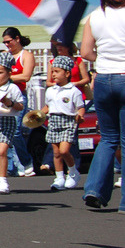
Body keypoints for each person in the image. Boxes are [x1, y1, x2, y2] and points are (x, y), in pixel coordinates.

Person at [80, 0, 125, 213]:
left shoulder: (95, 16)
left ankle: (94, 190)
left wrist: (103, 59)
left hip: (103, 79)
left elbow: (85, 53)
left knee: (109, 138)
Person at [0, 52, 26, 195]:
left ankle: (3, 180)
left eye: (0, 72)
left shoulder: (13, 88)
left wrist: (10, 102)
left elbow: (20, 106)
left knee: (2, 150)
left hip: (7, 120)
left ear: (8, 72)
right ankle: (1, 178)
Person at [42, 56, 86, 191]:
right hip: (54, 120)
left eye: (57, 71)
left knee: (64, 150)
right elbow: (47, 106)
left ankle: (73, 172)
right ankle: (59, 177)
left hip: (68, 120)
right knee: (56, 152)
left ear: (67, 73)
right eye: (52, 71)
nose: (53, 74)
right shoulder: (50, 90)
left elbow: (81, 107)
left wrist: (80, 116)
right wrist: (39, 115)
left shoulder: (73, 91)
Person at [2, 27, 36, 177]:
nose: (7, 45)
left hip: (18, 96)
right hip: (3, 96)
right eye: (4, 43)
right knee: (4, 133)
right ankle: (12, 167)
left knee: (15, 131)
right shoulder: (4, 55)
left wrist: (6, 77)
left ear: (17, 39)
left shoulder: (26, 55)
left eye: (9, 41)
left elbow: (25, 76)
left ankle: (26, 161)